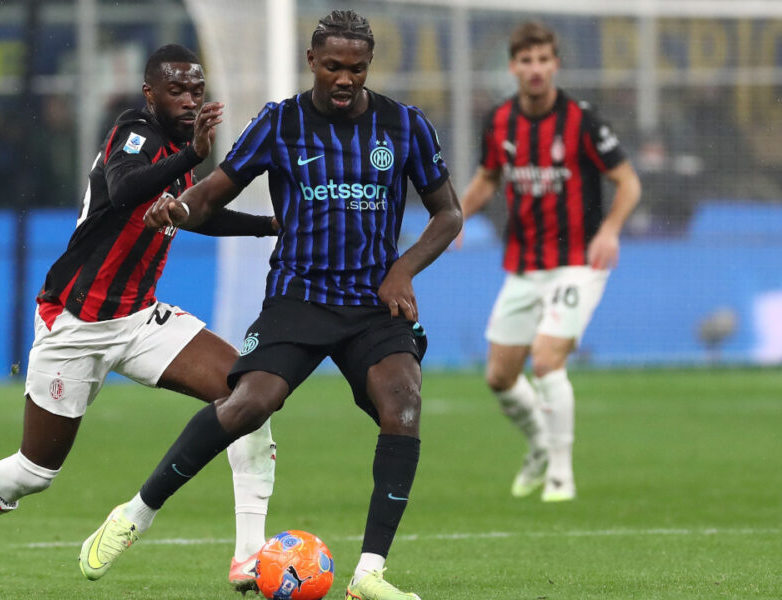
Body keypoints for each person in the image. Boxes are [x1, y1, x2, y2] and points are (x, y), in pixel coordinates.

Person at [76, 11, 462, 600]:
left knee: (403, 403)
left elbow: (449, 213)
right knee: (247, 404)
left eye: (356, 68)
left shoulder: (405, 126)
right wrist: (178, 209)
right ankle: (134, 515)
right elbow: (213, 192)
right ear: (312, 61)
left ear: (368, 67)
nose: (344, 79)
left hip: (370, 302)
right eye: (333, 66)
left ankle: (370, 574)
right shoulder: (280, 123)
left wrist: (402, 271)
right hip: (299, 296)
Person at [0, 44, 280, 597]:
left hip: (139, 319)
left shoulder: (182, 144)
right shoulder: (133, 131)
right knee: (36, 472)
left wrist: (270, 226)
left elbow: (195, 214)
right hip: (75, 323)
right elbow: (127, 185)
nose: (188, 99)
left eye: (197, 90)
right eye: (177, 90)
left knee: (250, 395)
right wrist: (192, 157)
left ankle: (250, 558)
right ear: (149, 94)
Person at [459, 22, 641, 502]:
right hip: (524, 264)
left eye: (543, 60)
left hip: (579, 261)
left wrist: (609, 231)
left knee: (546, 360)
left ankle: (561, 474)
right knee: (499, 376)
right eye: (526, 61)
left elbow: (629, 182)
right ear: (513, 67)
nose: (535, 69)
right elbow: (487, 179)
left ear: (555, 64)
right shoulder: (499, 121)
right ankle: (540, 446)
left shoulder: (582, 119)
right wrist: (454, 219)